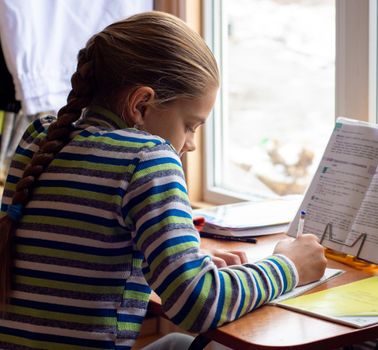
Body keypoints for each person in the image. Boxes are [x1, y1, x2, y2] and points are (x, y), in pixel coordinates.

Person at [0, 11, 327, 350]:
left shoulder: (39, 139)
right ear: (141, 105)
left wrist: (184, 263)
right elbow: (198, 307)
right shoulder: (147, 159)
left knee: (174, 343)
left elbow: (72, 250)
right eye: (190, 125)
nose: (191, 143)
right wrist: (290, 266)